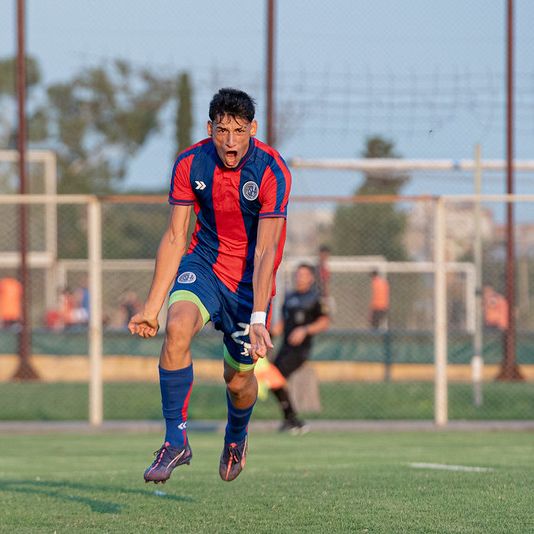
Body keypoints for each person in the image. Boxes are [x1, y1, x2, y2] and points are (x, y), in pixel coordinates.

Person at [128, 88, 291, 484]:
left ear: (252, 128)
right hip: (204, 265)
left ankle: (236, 436)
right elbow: (174, 236)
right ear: (210, 129)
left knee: (237, 382)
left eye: (239, 130)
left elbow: (267, 249)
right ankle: (175, 441)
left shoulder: (272, 171)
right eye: (222, 130)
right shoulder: (190, 163)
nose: (231, 141)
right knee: (177, 325)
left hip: (248, 284)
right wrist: (152, 307)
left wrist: (258, 316)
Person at [269, 263, 330, 433]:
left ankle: (292, 418)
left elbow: (324, 322)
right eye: (298, 274)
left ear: (311, 278)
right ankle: (291, 419)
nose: (300, 277)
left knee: (276, 376)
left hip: (300, 349)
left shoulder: (315, 298)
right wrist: (269, 335)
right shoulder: (290, 297)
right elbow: (283, 321)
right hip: (285, 347)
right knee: (273, 378)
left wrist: (305, 330)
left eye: (304, 275)